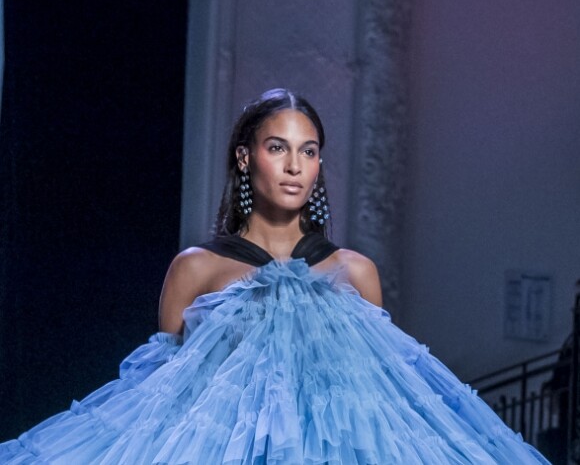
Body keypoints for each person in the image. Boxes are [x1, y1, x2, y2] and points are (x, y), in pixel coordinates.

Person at [0, 88, 549, 463]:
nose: (294, 167)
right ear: (245, 158)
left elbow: (378, 398)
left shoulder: (355, 272)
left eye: (308, 152)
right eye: (277, 148)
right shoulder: (197, 267)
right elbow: (161, 395)